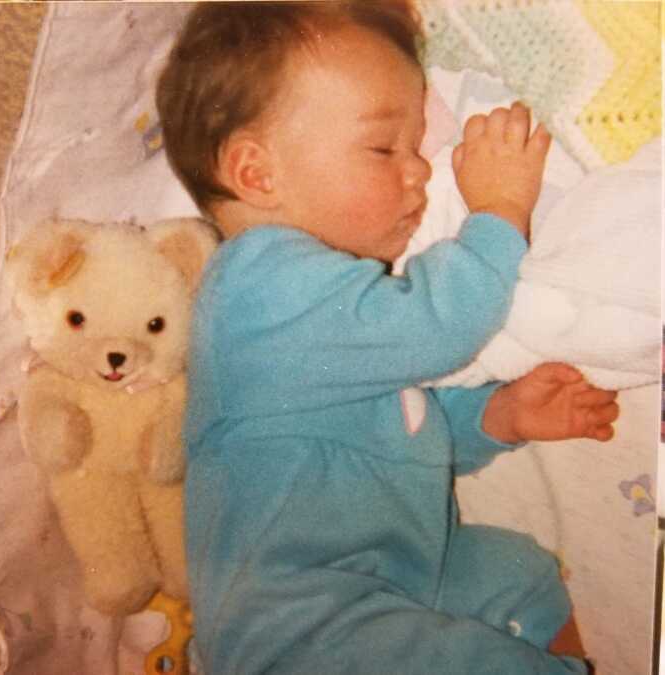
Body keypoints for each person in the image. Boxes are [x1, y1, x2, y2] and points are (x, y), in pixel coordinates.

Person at [155, 2, 619, 674]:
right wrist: (497, 212)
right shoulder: (256, 288)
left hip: (388, 576)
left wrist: (498, 413)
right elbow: (439, 324)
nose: (421, 171)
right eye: (384, 148)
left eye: (414, 146)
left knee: (514, 572)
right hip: (295, 624)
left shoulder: (328, 319)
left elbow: (395, 433)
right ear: (257, 174)